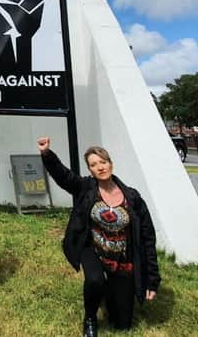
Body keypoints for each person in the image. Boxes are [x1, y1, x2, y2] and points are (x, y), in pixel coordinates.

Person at [36, 137, 160, 337]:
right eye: (94, 165)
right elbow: (64, 176)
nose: (100, 167)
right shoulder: (86, 188)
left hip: (121, 257)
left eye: (103, 162)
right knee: (94, 280)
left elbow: (147, 238)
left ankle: (111, 290)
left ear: (111, 164)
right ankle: (90, 318)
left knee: (122, 324)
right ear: (90, 170)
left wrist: (152, 280)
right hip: (92, 248)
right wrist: (47, 154)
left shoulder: (133, 197)